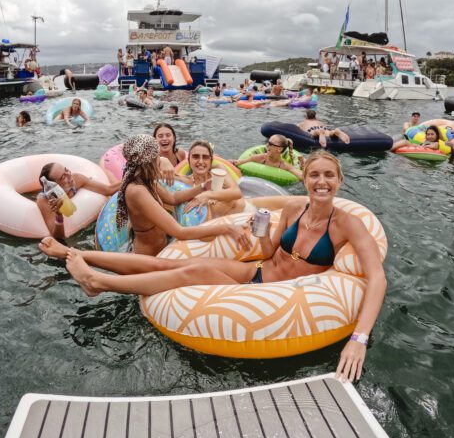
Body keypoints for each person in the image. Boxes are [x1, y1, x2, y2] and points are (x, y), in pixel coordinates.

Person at [38, 150, 387, 382]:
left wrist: (359, 338)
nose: (320, 182)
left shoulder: (347, 224)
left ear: (339, 180)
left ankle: (100, 283)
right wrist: (260, 230)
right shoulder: (296, 209)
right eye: (314, 175)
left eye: (328, 175)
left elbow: (377, 278)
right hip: (259, 273)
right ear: (306, 178)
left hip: (277, 293)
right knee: (176, 264)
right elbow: (268, 252)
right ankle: (81, 256)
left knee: (193, 272)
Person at [40, 135, 249, 256]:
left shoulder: (145, 181)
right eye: (156, 155)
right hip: (147, 256)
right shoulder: (137, 190)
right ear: (148, 159)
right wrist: (227, 227)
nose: (160, 158)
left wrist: (204, 187)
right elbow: (179, 231)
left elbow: (174, 199)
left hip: (162, 244)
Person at [37, 162, 122, 238]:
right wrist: (59, 215)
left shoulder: (77, 179)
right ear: (54, 186)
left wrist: (131, 177)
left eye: (66, 170)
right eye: (63, 177)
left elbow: (108, 190)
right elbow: (57, 237)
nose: (69, 175)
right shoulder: (45, 200)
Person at [178, 140, 248, 218]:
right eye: (196, 156)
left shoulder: (219, 171)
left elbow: (237, 193)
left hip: (237, 215)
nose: (201, 161)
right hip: (216, 224)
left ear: (210, 160)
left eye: (205, 157)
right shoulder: (185, 182)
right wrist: (164, 161)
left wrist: (208, 195)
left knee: (242, 203)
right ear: (189, 160)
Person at [231, 134, 303, 179]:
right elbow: (237, 163)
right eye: (268, 142)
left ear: (279, 149)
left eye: (270, 144)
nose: (266, 145)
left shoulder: (285, 166)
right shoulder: (259, 158)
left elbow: (301, 176)